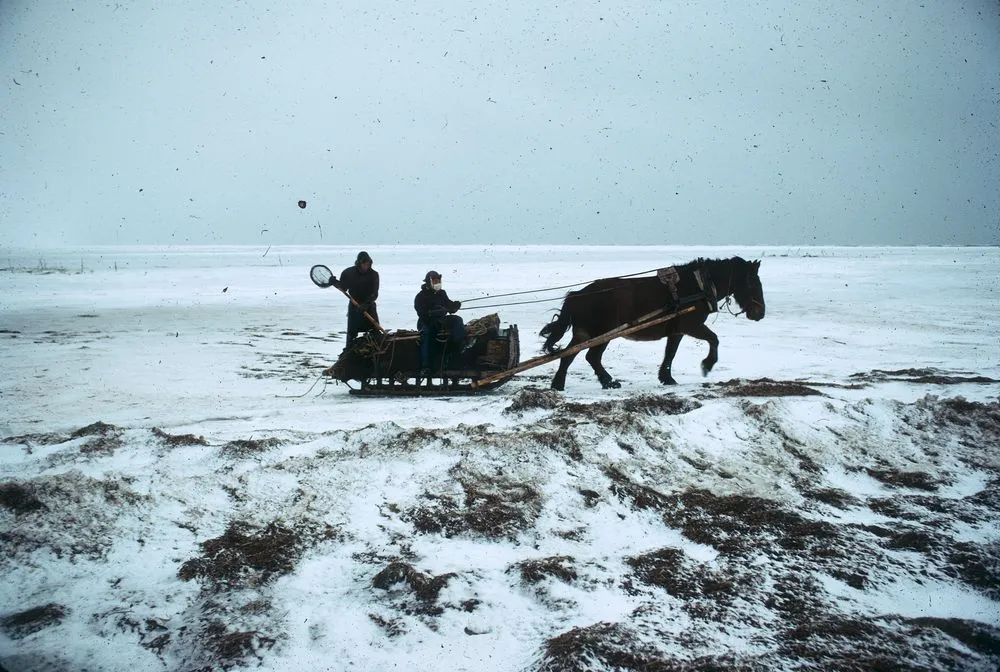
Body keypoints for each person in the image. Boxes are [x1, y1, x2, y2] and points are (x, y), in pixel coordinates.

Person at [414, 270, 466, 374]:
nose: (437, 283)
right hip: (426, 321)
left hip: (441, 320)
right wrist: (434, 312)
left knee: (457, 320)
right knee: (427, 335)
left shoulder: (442, 293)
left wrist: (455, 306)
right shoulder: (421, 296)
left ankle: (459, 347)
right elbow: (421, 313)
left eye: (438, 281)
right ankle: (426, 366)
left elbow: (449, 306)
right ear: (428, 282)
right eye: (435, 281)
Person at [330, 251, 379, 347]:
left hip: (369, 306)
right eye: (364, 264)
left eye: (368, 264)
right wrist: (335, 282)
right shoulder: (348, 273)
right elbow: (343, 288)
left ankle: (376, 347)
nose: (366, 266)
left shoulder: (374, 275)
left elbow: (375, 294)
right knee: (352, 333)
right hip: (354, 305)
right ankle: (349, 349)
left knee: (375, 331)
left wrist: (366, 304)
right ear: (359, 263)